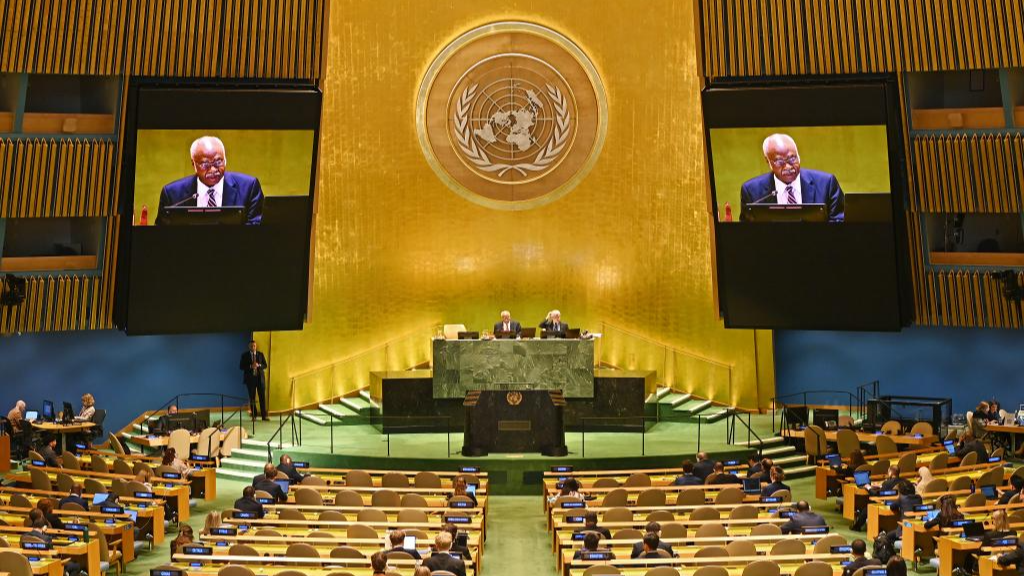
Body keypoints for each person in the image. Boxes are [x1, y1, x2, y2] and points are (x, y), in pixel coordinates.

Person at [156, 136, 265, 226]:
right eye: (205, 164)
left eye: (218, 162)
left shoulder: (249, 188)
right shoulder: (172, 194)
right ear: (194, 164)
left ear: (225, 160)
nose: (213, 169)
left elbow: (255, 231)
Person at [740, 133, 845, 223]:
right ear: (768, 162)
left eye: (792, 158)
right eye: (780, 162)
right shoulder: (751, 191)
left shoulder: (826, 184)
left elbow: (839, 225)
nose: (788, 167)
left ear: (798, 155)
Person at [851, 465, 902, 531]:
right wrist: (880, 486)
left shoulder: (887, 483)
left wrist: (868, 488)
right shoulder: (903, 480)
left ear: (890, 473)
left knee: (868, 507)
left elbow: (876, 495)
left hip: (888, 503)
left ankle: (857, 526)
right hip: (898, 502)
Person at [240, 340, 269, 421]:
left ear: (256, 346)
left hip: (260, 379)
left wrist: (258, 365)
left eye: (254, 346)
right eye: (251, 346)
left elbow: (265, 365)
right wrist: (250, 366)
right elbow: (241, 366)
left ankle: (264, 416)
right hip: (250, 380)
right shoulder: (244, 355)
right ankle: (254, 415)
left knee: (262, 397)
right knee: (252, 398)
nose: (253, 347)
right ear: (249, 347)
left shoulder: (260, 354)